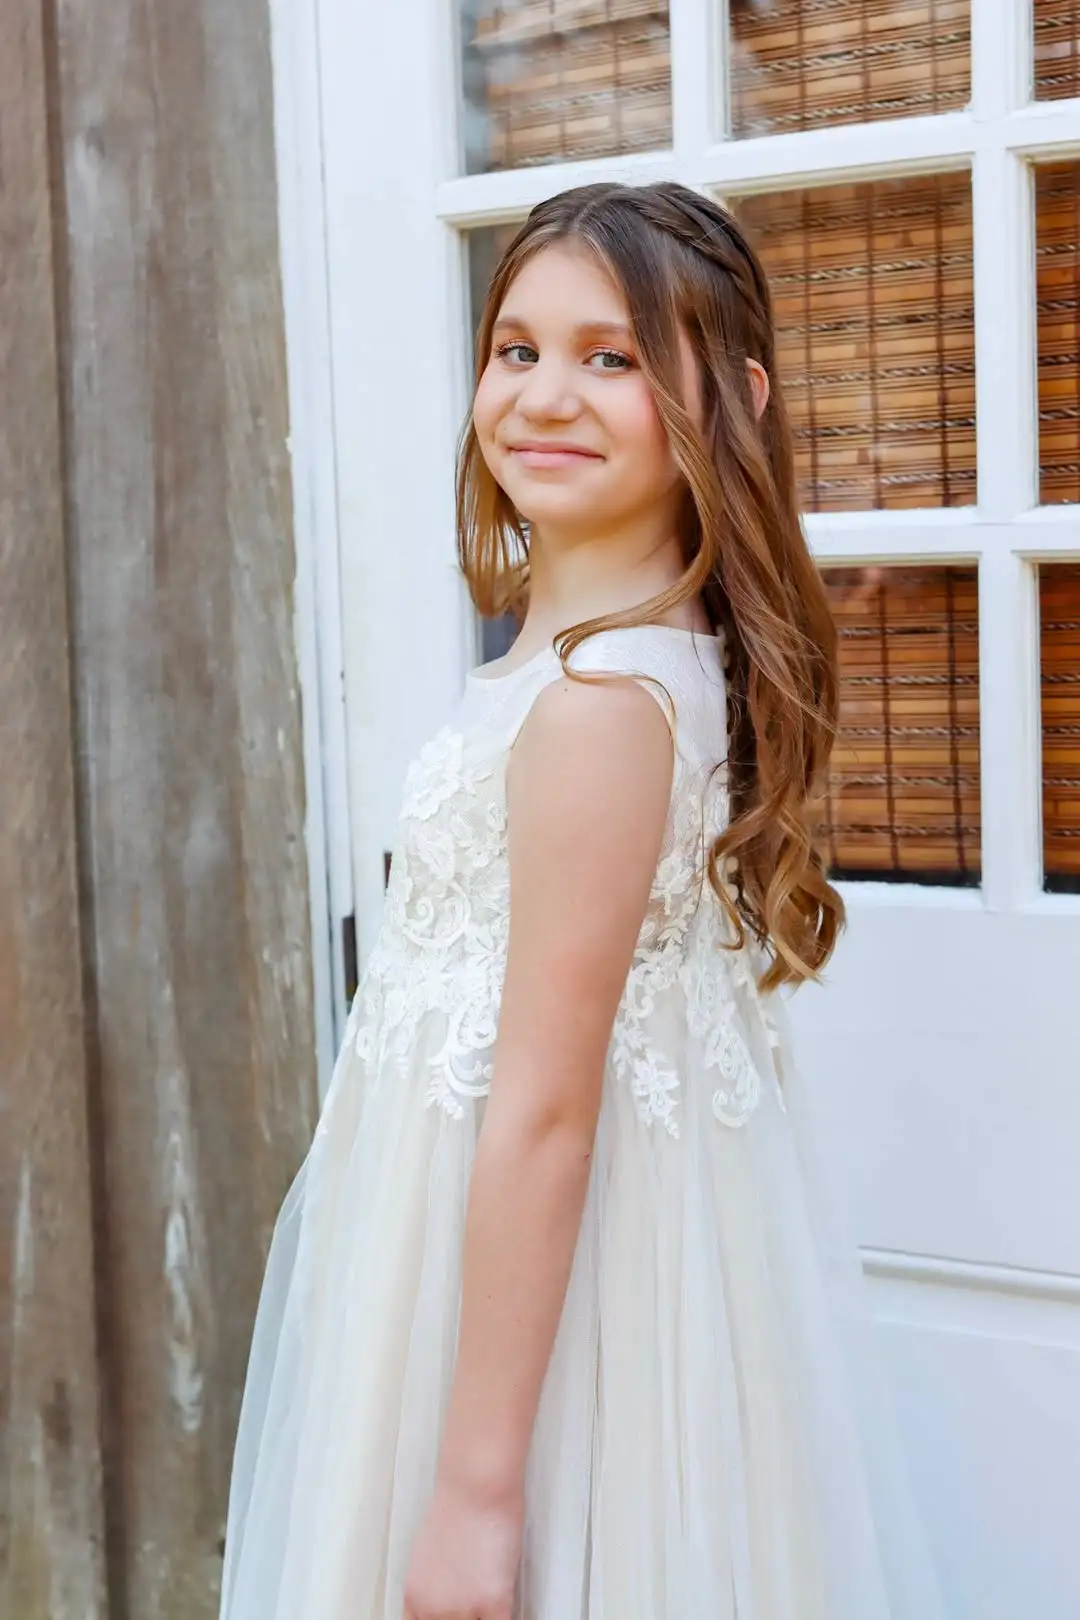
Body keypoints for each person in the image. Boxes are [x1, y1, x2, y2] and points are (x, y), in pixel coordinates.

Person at [218, 181, 949, 1620]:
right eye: (518, 349)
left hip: (547, 1326)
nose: (545, 394)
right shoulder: (599, 667)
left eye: (611, 357)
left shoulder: (601, 709)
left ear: (732, 401)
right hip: (473, 1262)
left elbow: (549, 1110)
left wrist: (477, 1493)